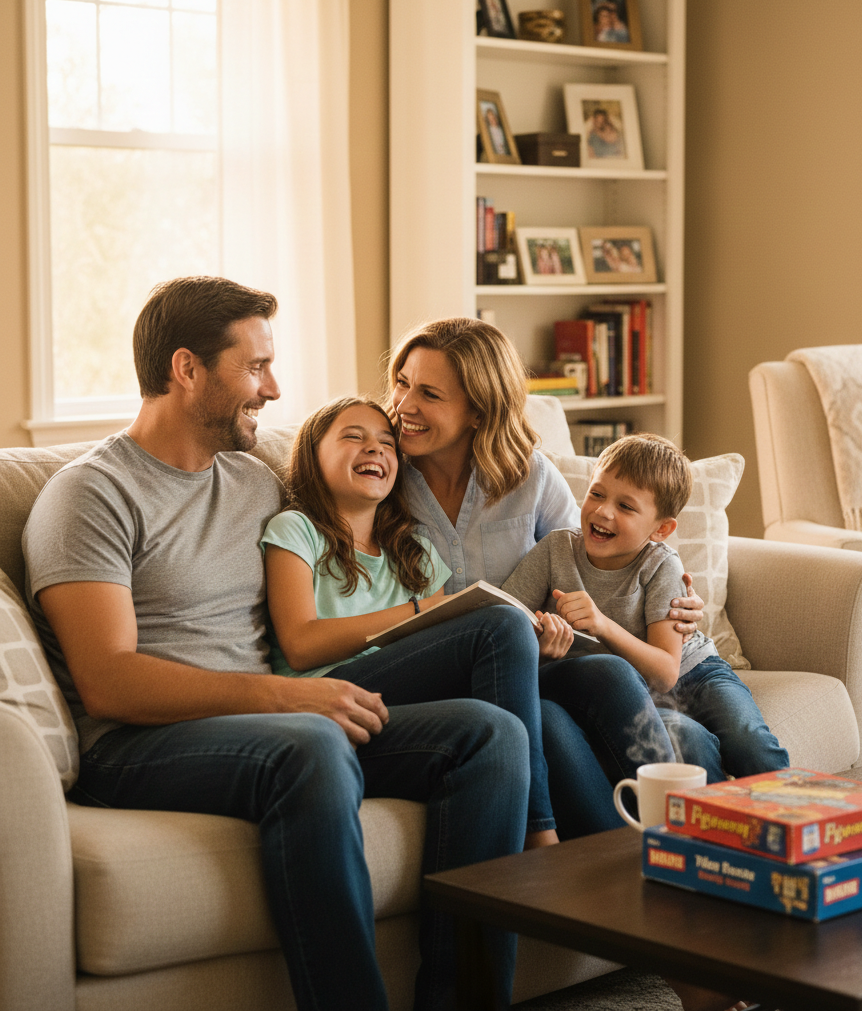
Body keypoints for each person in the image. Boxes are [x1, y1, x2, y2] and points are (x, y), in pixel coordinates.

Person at [22, 277, 532, 1011]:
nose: (274, 386)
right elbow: (110, 683)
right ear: (186, 369)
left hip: (270, 722)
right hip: (138, 744)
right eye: (255, 367)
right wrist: (294, 696)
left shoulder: (255, 482)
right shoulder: (92, 495)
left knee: (490, 734)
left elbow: (356, 516)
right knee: (311, 743)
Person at [385, 317, 706, 839]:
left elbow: (593, 560)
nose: (403, 404)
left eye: (429, 393)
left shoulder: (528, 476)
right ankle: (590, 854)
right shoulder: (383, 475)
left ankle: (670, 839)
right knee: (553, 721)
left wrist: (679, 601)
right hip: (439, 669)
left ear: (477, 410)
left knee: (607, 678)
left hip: (531, 666)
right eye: (402, 382)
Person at [261, 394, 558, 847]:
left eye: (386, 443)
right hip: (326, 690)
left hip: (399, 700)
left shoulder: (415, 552)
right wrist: (419, 610)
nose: (375, 449)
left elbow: (436, 656)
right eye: (353, 437)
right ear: (312, 454)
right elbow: (301, 644)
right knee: (502, 624)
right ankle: (541, 835)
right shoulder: (296, 529)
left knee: (514, 724)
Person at [502, 432, 790, 785]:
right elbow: (506, 615)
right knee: (691, 746)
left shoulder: (660, 565)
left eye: (626, 506)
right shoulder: (556, 550)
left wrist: (602, 624)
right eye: (596, 493)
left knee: (751, 743)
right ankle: (712, 827)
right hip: (630, 693)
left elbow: (666, 672)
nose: (603, 511)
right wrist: (542, 646)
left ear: (662, 529)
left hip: (695, 674)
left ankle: (802, 822)